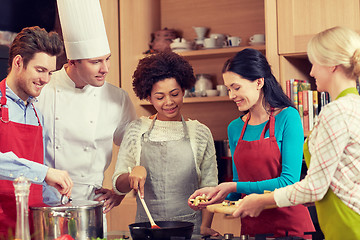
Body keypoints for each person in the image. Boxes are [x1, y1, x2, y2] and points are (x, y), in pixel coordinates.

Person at [232, 26, 360, 240]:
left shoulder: (335, 112)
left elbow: (315, 188)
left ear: (332, 65)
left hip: (346, 222)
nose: (311, 72)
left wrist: (261, 200)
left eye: (315, 63)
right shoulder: (354, 106)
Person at [188, 48, 315, 238]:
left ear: (259, 82)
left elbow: (289, 182)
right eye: (228, 89)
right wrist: (214, 196)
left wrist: (232, 186)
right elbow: (241, 185)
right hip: (252, 228)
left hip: (290, 228)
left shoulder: (288, 117)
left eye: (236, 87)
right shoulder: (235, 128)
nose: (231, 95)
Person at [36, 0, 137, 214]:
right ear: (73, 62)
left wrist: (120, 192)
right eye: (95, 62)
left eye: (107, 59)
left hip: (93, 207)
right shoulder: (42, 89)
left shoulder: (117, 98)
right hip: (46, 204)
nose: (105, 69)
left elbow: (133, 149)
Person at [112, 51, 219, 236]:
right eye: (160, 97)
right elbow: (118, 185)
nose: (169, 102)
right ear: (148, 97)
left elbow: (210, 187)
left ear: (184, 91)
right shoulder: (136, 130)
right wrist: (132, 174)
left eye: (175, 94)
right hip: (147, 230)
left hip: (190, 231)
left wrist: (204, 226)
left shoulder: (200, 133)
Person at [0, 26, 73, 239]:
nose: (46, 79)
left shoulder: (36, 114)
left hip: (31, 227)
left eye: (50, 72)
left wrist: (57, 203)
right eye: (40, 70)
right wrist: (45, 173)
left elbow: (38, 175)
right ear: (18, 63)